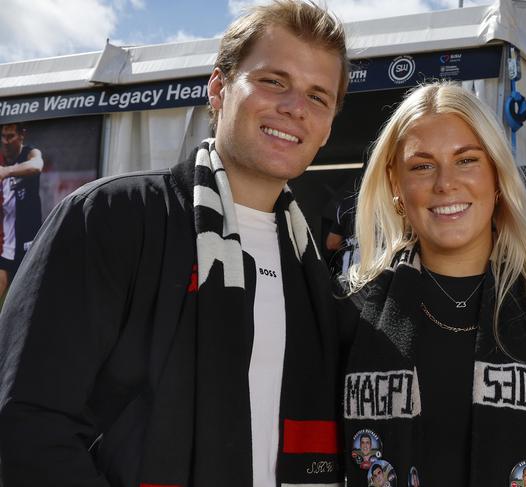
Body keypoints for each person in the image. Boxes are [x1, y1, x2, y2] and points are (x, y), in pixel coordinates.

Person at [0, 2, 348, 486]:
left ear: (329, 125)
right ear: (219, 88)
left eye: (318, 96)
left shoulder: (314, 274)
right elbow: (28, 423)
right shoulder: (111, 219)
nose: (295, 108)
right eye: (273, 81)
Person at [337, 83, 526, 487]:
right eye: (422, 166)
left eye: (466, 160)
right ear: (396, 185)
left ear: (496, 176)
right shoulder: (353, 309)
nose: (445, 184)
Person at [0, 123, 43, 298]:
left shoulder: (30, 153)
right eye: (3, 136)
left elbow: (37, 165)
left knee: (26, 299)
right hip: (5, 242)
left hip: (27, 240)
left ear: (21, 136)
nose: (6, 141)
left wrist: (7, 171)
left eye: (10, 136)